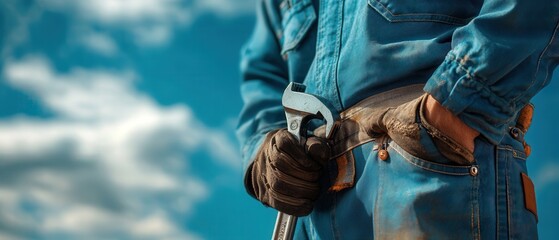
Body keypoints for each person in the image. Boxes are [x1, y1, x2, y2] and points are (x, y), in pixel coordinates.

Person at [237, 0, 559, 239]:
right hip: (314, 207)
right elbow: (262, 73)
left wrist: (456, 106)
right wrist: (263, 152)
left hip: (440, 171)